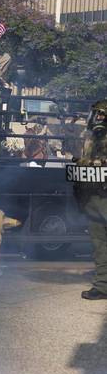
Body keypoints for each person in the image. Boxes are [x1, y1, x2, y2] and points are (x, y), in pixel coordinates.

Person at [73, 100, 107, 300]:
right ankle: (102, 286)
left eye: (103, 114)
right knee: (99, 245)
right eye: (97, 114)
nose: (99, 118)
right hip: (93, 199)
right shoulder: (89, 137)